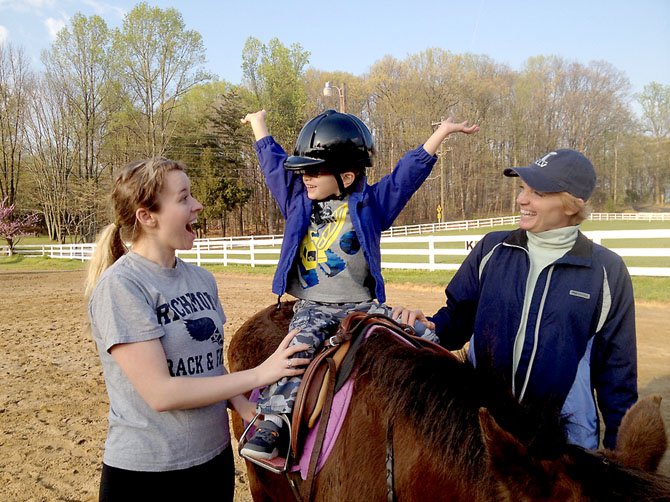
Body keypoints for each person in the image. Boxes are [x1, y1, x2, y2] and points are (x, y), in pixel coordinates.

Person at [239, 108, 479, 460]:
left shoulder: (371, 206)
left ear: (347, 176)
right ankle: (274, 421)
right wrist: (259, 125)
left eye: (315, 171)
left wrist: (439, 134)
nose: (306, 178)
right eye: (303, 171)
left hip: (362, 306)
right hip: (314, 307)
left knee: (422, 338)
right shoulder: (296, 200)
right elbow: (274, 167)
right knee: (296, 351)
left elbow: (404, 178)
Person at [84, 157, 310, 500]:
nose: (197, 205)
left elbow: (208, 365)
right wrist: (260, 374)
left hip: (213, 463)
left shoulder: (201, 280)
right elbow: (162, 394)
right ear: (147, 217)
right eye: (184, 198)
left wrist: (243, 404)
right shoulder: (122, 286)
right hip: (149, 475)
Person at [393, 149, 637, 450]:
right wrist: (429, 326)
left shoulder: (606, 271)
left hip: (562, 452)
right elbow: (456, 320)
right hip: (481, 436)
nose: (522, 199)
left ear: (574, 204)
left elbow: (618, 376)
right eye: (523, 188)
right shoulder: (491, 249)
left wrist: (620, 458)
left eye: (537, 192)